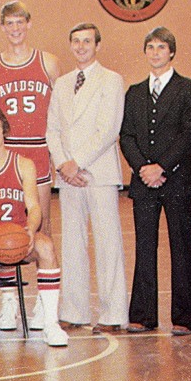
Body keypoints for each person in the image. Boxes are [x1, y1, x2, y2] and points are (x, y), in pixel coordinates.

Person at [0, 0, 60, 332]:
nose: (15, 29)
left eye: (19, 22)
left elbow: (59, 112)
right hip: (6, 156)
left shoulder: (49, 63)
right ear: (2, 27)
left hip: (38, 151)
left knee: (43, 230)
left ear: (28, 24)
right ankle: (9, 300)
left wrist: (57, 150)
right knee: (3, 227)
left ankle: (44, 302)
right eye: (8, 24)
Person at [119, 27, 191, 336]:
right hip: (144, 181)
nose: (155, 52)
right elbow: (126, 135)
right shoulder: (135, 92)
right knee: (144, 247)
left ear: (171, 52)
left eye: (161, 47)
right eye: (150, 47)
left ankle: (187, 317)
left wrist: (162, 167)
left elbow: (188, 132)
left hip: (177, 178)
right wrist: (143, 167)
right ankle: (142, 314)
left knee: (182, 245)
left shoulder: (188, 88)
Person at [0, 106, 68, 348]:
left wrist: (30, 229)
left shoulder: (23, 164)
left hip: (17, 234)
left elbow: (34, 205)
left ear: (4, 131)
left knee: (47, 246)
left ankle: (51, 323)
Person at [45, 23, 127, 333]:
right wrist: (63, 163)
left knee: (108, 242)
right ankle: (75, 310)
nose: (81, 46)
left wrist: (77, 163)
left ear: (97, 45)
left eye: (87, 41)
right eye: (76, 41)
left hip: (99, 173)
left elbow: (108, 129)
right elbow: (52, 128)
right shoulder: (63, 83)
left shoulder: (112, 80)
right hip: (68, 175)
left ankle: (112, 313)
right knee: (73, 243)